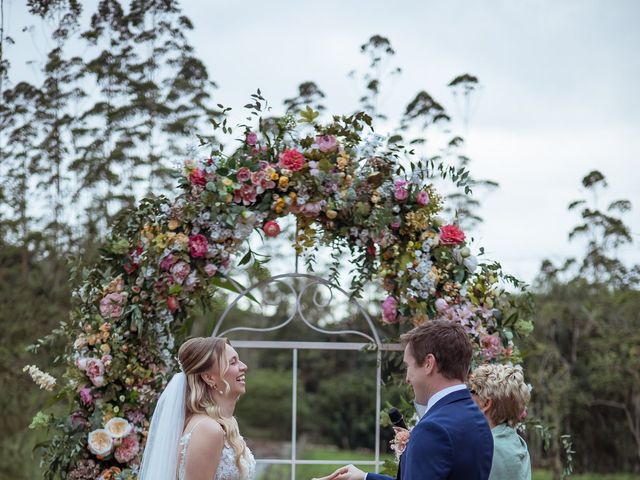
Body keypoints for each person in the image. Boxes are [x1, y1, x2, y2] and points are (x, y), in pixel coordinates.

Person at [335, 320, 494, 480]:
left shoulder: (433, 429)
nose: (407, 378)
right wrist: (364, 477)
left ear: (428, 363)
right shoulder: (478, 419)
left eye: (408, 366)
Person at [138, 336, 256, 480]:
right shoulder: (207, 429)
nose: (243, 366)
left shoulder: (217, 424)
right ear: (209, 378)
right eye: (233, 362)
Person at [467, 364, 532, 480]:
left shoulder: (487, 449)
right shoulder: (517, 443)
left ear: (485, 404)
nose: (467, 396)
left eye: (472, 391)